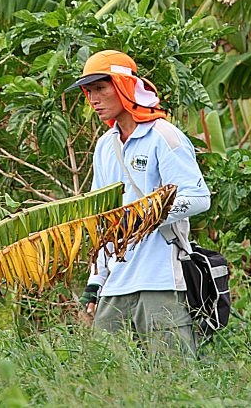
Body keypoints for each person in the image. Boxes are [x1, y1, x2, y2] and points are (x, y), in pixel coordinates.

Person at [65, 50, 211, 355]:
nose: (93, 99)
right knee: (109, 380)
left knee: (172, 379)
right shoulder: (105, 146)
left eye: (101, 88)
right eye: (88, 91)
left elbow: (199, 198)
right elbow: (102, 218)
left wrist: (147, 217)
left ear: (123, 86)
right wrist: (96, 281)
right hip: (115, 286)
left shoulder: (163, 136)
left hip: (161, 280)